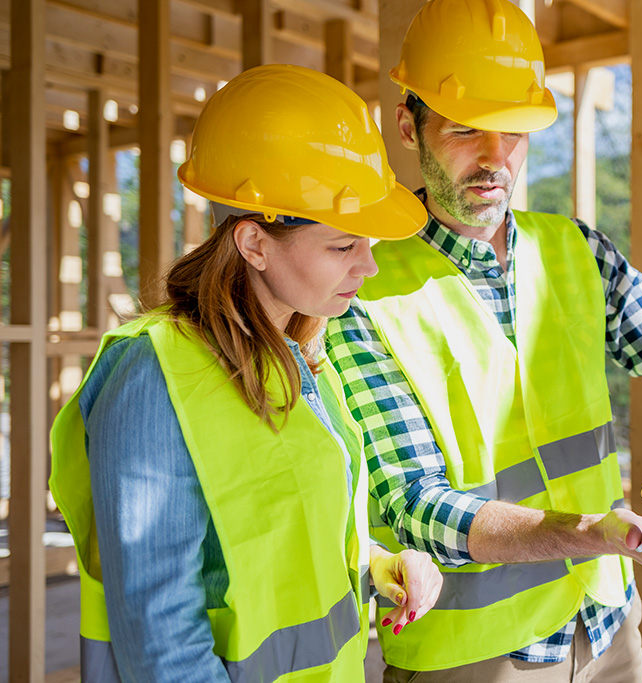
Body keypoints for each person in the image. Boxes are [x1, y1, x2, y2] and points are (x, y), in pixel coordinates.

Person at [324, 1, 642, 681]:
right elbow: (418, 505)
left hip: (607, 626)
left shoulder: (575, 251)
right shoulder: (361, 291)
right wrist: (590, 533)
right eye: (467, 129)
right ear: (409, 126)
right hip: (473, 657)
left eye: (516, 131)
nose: (497, 158)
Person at [49, 64, 442, 683]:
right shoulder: (155, 379)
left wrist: (373, 562)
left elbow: (259, 544)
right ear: (254, 244)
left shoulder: (296, 356)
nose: (367, 267)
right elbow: (161, 642)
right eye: (343, 246)